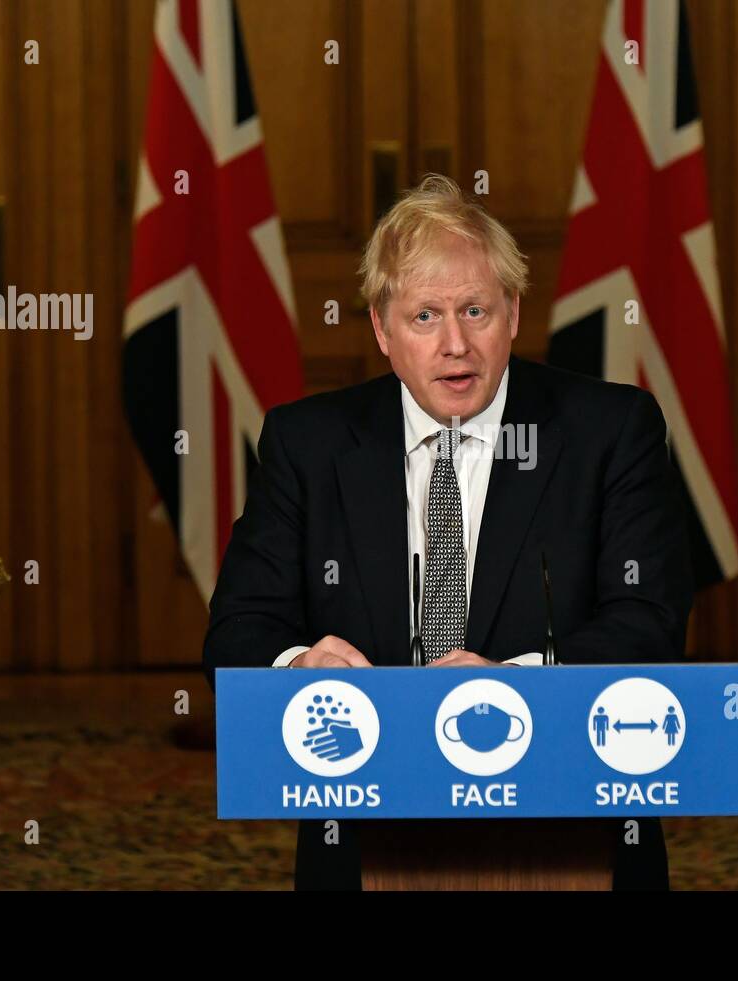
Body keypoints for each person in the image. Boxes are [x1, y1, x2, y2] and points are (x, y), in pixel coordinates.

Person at [202, 173, 695, 889]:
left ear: (515, 312)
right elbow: (236, 633)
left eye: (475, 310)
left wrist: (514, 687)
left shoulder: (609, 432)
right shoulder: (308, 444)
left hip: (569, 825)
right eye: (425, 316)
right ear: (381, 328)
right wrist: (298, 667)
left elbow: (650, 623)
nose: (455, 344)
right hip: (364, 826)